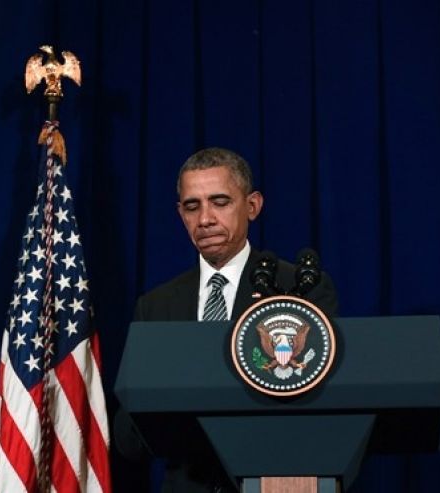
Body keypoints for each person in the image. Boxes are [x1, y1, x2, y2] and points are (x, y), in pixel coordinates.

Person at [115, 147, 338, 492]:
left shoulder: (300, 288)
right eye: (192, 206)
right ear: (180, 214)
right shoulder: (156, 307)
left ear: (252, 206)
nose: (205, 219)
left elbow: (325, 409)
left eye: (220, 202)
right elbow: (129, 436)